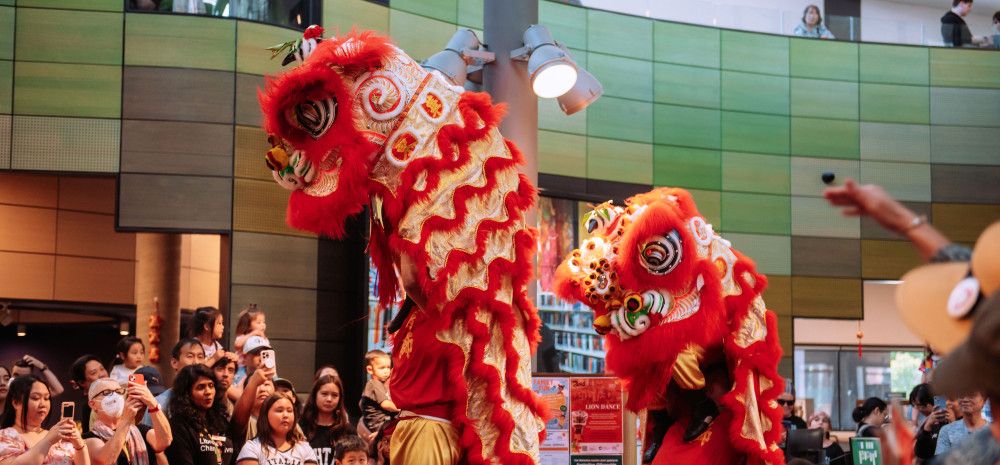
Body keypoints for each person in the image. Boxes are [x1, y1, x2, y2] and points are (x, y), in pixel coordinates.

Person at [0, 375, 90, 465]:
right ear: (16, 403)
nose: (43, 404)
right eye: (35, 398)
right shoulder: (4, 436)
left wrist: (79, 445)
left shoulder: (57, 436)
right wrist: (48, 441)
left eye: (46, 398)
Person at [82, 377, 171, 465]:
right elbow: (106, 461)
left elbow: (165, 441)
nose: (115, 396)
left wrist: (152, 403)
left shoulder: (141, 431)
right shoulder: (88, 439)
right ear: (93, 404)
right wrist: (126, 420)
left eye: (118, 391)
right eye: (107, 392)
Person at [164, 364, 233, 465]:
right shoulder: (178, 426)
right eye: (201, 387)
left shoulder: (220, 421)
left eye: (211, 385)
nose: (208, 392)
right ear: (187, 393)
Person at [235, 393, 317, 465]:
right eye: (279, 410)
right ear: (265, 415)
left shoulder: (304, 448)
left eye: (289, 411)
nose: (285, 415)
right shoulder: (252, 447)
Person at [141, 339, 206, 427]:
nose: (196, 362)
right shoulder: (160, 403)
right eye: (190, 356)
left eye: (200, 357)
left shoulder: (209, 399)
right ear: (174, 363)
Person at [300, 375, 356, 465]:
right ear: (315, 395)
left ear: (339, 398)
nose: (329, 399)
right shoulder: (301, 427)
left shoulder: (347, 430)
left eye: (334, 395)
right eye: (324, 394)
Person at [68, 355, 110, 435]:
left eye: (102, 369)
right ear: (82, 382)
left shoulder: (123, 394)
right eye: (94, 373)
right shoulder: (88, 408)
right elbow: (88, 438)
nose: (102, 374)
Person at [359, 351, 397, 435]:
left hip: (385, 424)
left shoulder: (381, 384)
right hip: (380, 425)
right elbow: (386, 404)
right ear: (370, 369)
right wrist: (402, 409)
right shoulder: (374, 384)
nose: (386, 371)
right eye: (382, 368)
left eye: (388, 367)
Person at [234, 305, 269, 388]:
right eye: (259, 322)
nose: (263, 325)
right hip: (242, 367)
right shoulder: (244, 336)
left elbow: (268, 351)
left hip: (260, 367)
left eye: (263, 322)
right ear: (248, 325)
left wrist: (263, 337)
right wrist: (252, 334)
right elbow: (237, 345)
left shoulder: (263, 338)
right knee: (241, 384)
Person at [913, 384, 950, 462]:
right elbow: (920, 453)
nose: (917, 409)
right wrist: (927, 428)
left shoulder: (956, 422)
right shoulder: (927, 423)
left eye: (918, 405)